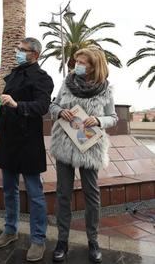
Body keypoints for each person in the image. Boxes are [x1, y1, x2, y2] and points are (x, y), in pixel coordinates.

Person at [0, 37, 54, 262]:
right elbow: (3, 103)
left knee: (35, 193)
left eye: (23, 50)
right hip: (8, 140)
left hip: (29, 142)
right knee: (9, 189)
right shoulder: (13, 75)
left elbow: (42, 107)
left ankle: (38, 239)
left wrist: (18, 105)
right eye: (18, 49)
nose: (18, 52)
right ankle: (10, 230)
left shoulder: (43, 79)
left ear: (35, 54)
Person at [49, 46, 118, 263]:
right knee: (63, 194)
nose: (76, 65)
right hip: (64, 144)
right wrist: (60, 111)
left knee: (91, 194)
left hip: (90, 146)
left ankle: (93, 241)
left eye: (82, 62)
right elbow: (53, 105)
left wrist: (99, 121)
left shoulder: (105, 90)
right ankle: (62, 241)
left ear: (93, 66)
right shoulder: (66, 83)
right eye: (76, 61)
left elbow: (113, 117)